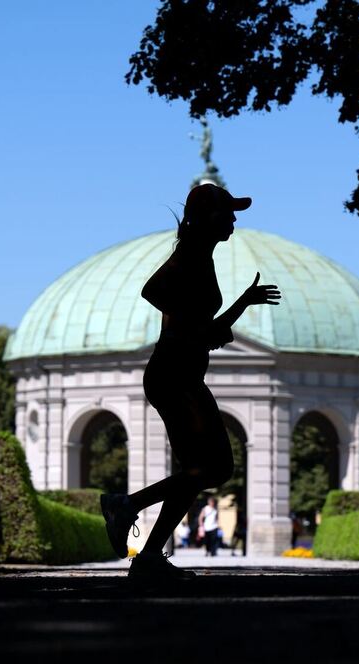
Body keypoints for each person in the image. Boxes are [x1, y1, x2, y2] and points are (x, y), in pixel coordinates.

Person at [100, 183, 281, 582]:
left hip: (179, 374)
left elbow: (203, 328)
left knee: (199, 470)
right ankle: (125, 504)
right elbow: (155, 292)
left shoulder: (202, 256)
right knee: (215, 468)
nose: (233, 221)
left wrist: (239, 305)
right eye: (227, 213)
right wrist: (192, 328)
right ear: (206, 217)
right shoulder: (191, 255)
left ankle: (148, 557)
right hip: (174, 375)